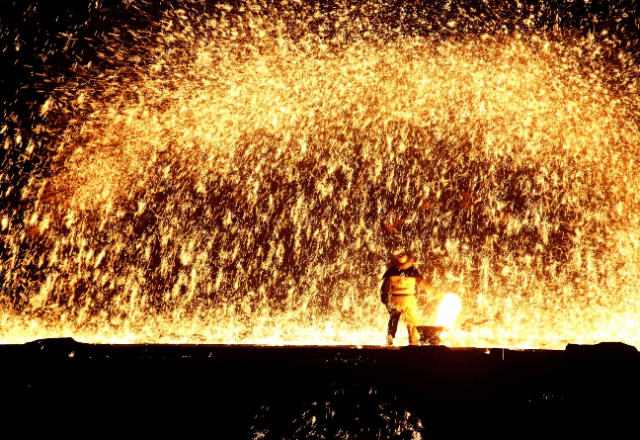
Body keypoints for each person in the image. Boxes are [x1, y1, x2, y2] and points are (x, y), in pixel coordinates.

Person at [380, 251, 434, 346]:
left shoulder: (391, 272)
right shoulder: (413, 271)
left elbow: (384, 290)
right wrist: (435, 292)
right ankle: (413, 342)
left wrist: (385, 301)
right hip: (409, 299)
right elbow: (423, 284)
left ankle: (389, 339)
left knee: (393, 320)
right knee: (412, 322)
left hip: (395, 299)